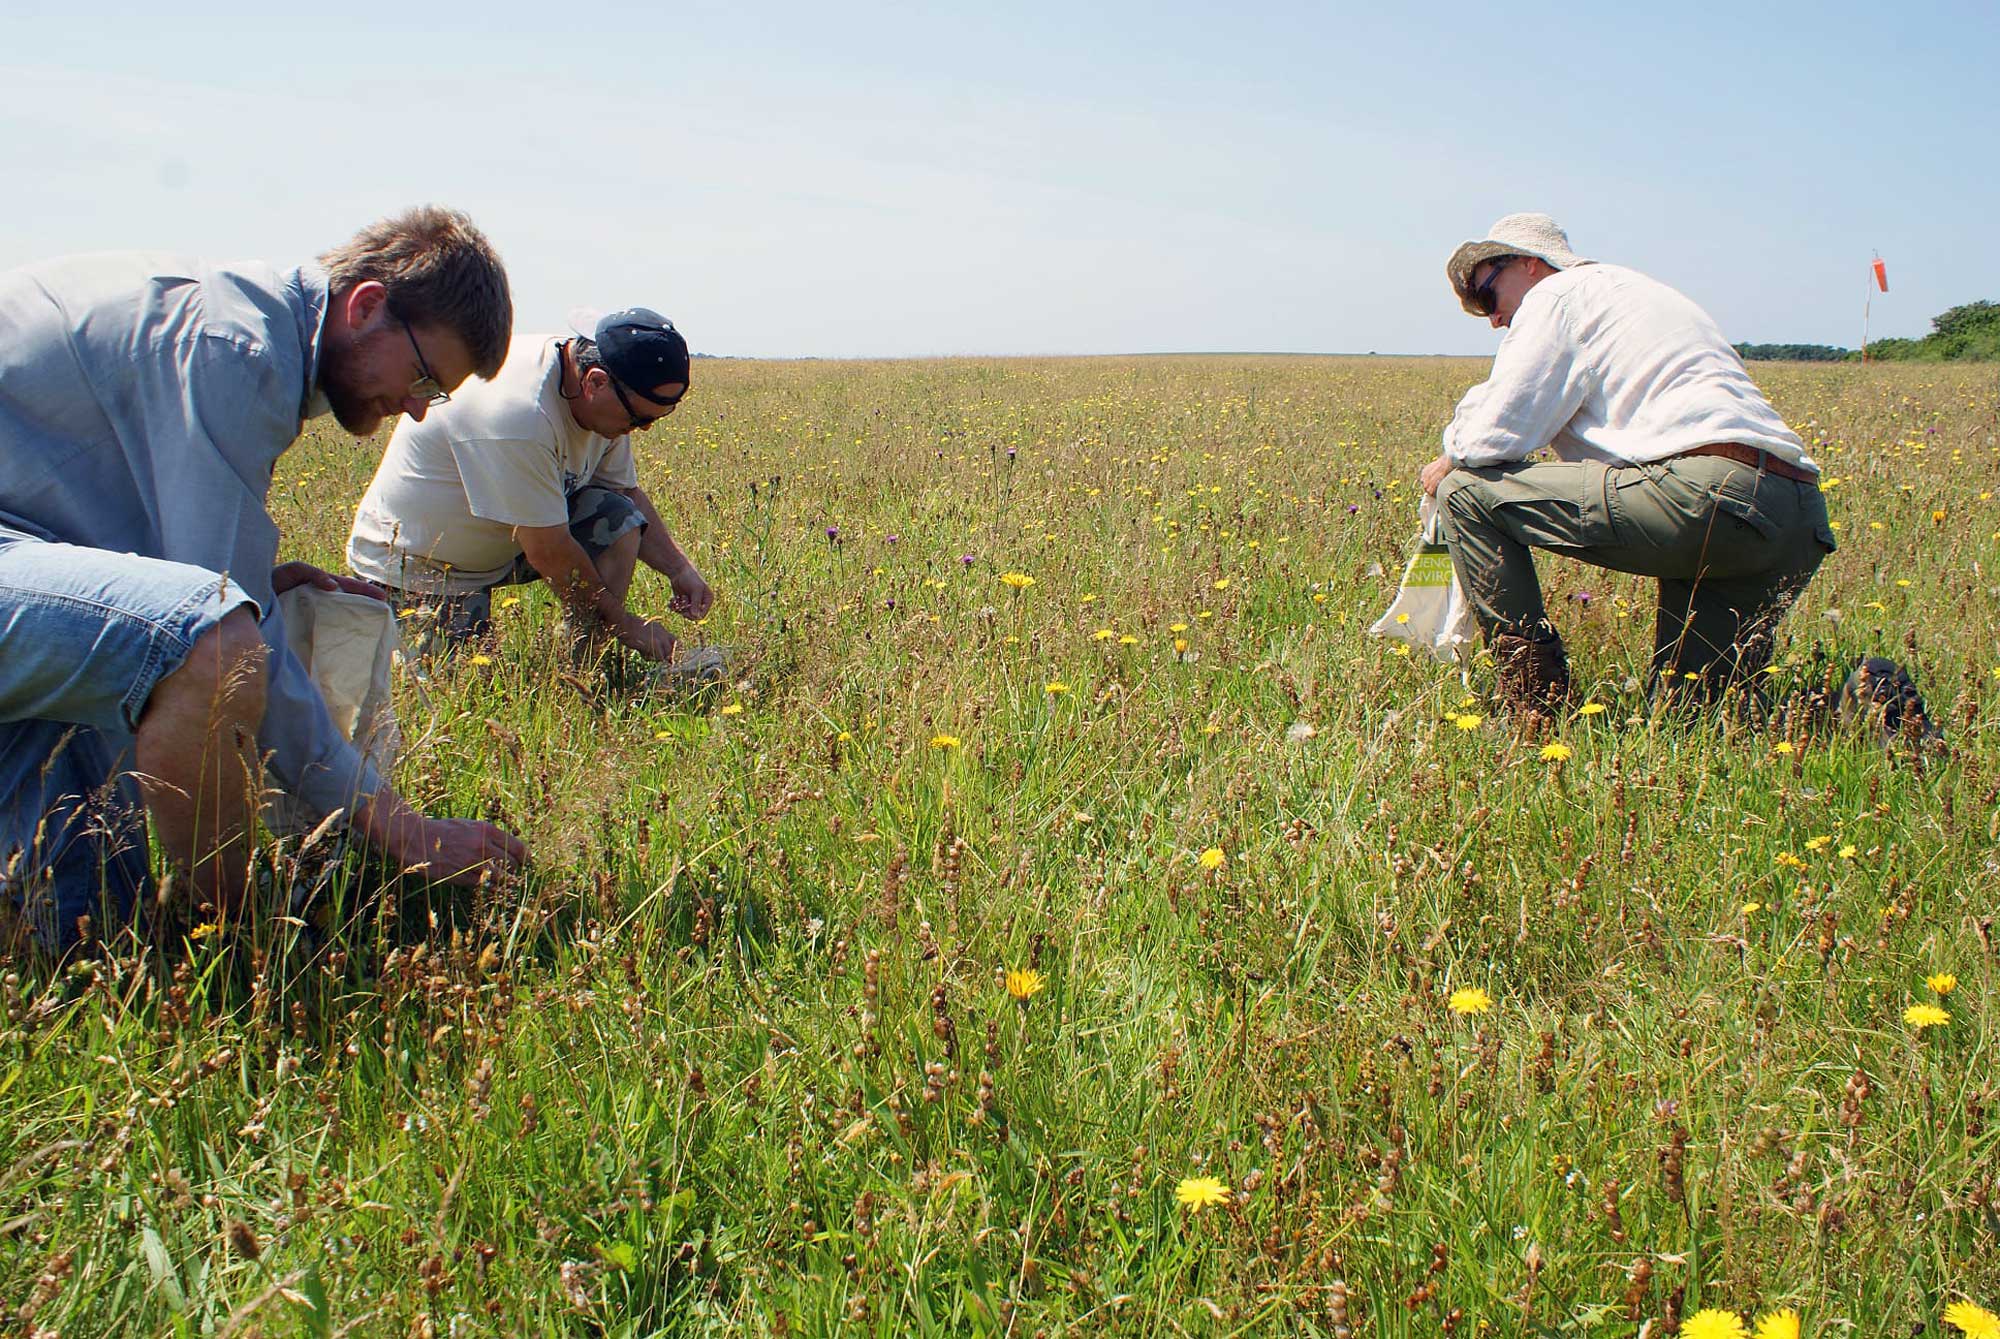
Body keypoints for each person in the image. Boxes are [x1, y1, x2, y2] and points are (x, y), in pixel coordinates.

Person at [1, 206, 531, 955]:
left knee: (83, 948)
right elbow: (214, 628)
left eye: (434, 395)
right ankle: (242, 951)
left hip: (23, 559)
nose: (415, 409)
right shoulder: (236, 351)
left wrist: (259, 580)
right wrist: (394, 823)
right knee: (213, 648)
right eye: (422, 376)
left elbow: (131, 547)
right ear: (367, 305)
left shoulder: (250, 331)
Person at [1421, 213, 1836, 717]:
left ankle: (1535, 704)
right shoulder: (1638, 294)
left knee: (1464, 491)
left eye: (1487, 295)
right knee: (1698, 717)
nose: (1492, 318)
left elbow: (1491, 436)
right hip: (1794, 518)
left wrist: (1448, 458)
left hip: (1705, 499)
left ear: (1530, 263)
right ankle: (1864, 705)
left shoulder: (1558, 295)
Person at [346, 309, 718, 677]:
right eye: (640, 419)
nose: (644, 430)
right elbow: (549, 551)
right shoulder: (519, 417)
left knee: (617, 517)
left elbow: (623, 492)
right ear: (596, 382)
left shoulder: (604, 406)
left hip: (506, 543)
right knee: (460, 695)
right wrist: (627, 626)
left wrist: (678, 568)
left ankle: (583, 674)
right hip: (424, 569)